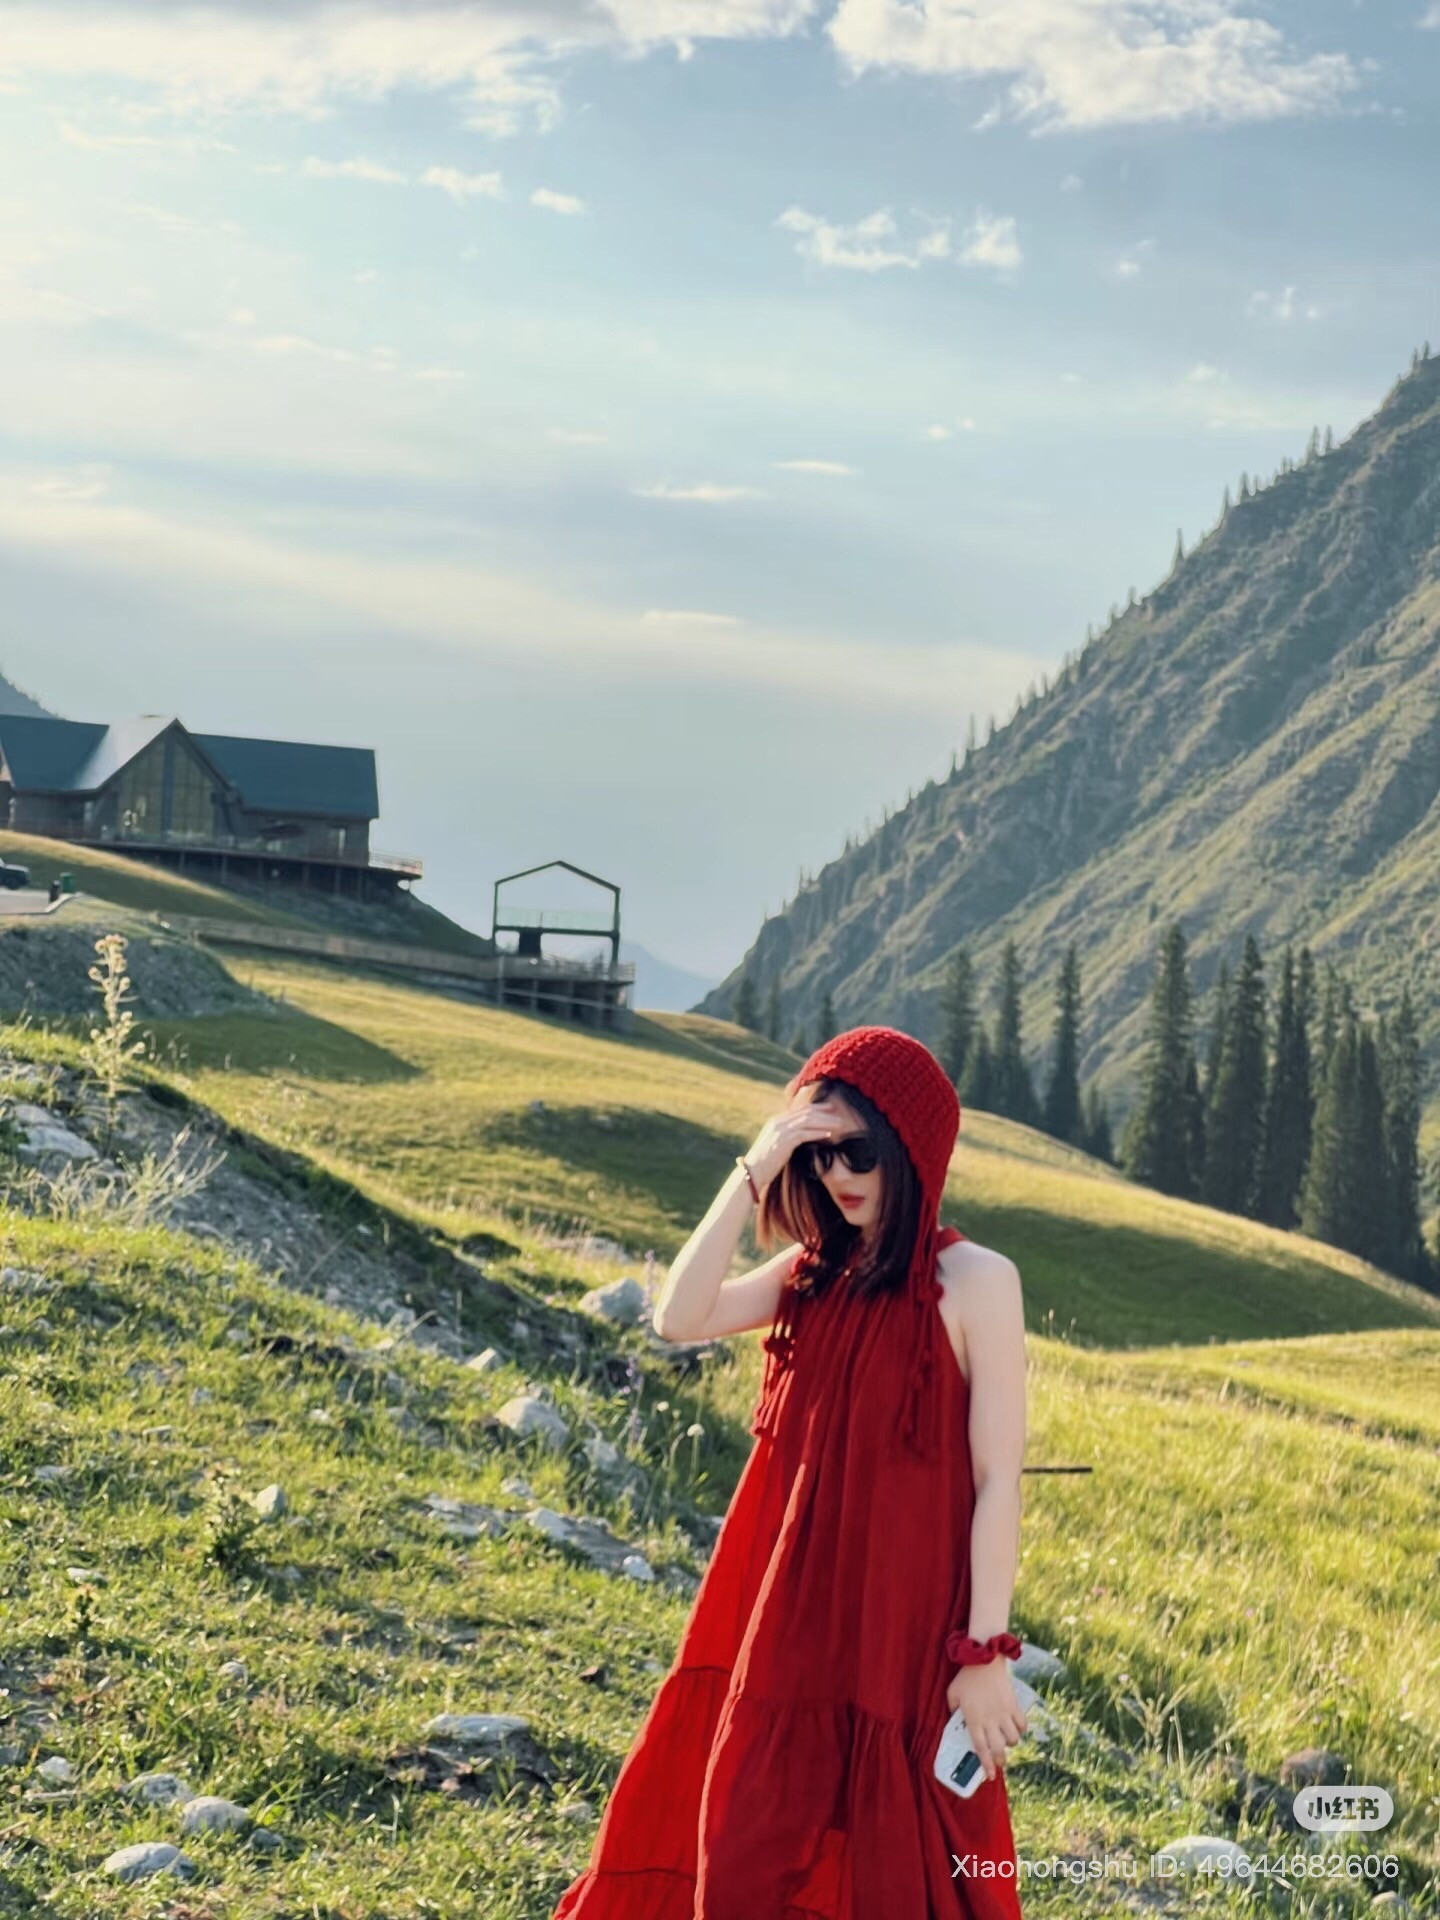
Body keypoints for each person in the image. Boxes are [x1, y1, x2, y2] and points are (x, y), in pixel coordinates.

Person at [551, 1024, 1029, 1918]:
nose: (838, 1176)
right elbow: (679, 1316)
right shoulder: (812, 1275)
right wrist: (754, 1169)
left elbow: (1000, 1478)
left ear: (912, 1152)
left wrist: (984, 1654)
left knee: (908, 1871)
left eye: (857, 1152)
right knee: (745, 1851)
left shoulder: (976, 1283)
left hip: (906, 1629)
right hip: (790, 1620)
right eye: (817, 1156)